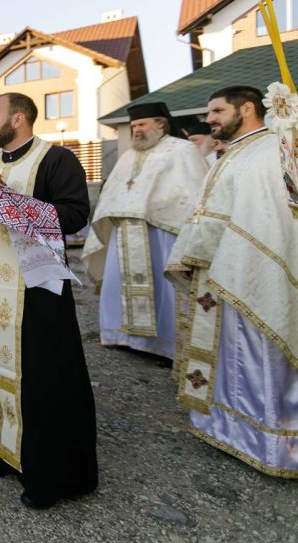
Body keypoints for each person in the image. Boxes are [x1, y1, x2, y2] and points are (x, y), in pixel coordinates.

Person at [0, 93, 97, 510]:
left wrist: (12, 207)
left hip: (35, 291)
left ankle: (50, 472)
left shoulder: (55, 159)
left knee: (42, 380)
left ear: (18, 119)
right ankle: (6, 450)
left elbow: (75, 214)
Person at [166, 85, 298, 477]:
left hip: (257, 270)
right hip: (223, 270)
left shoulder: (273, 148)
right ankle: (231, 429)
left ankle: (276, 444)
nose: (209, 119)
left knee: (262, 357)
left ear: (247, 108)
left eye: (217, 111)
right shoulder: (238, 152)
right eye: (209, 112)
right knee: (234, 356)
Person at [82, 103, 207, 364]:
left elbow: (194, 191)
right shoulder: (128, 155)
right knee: (118, 283)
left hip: (162, 232)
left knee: (165, 290)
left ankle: (165, 345)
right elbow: (113, 191)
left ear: (160, 124)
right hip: (124, 233)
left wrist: (159, 210)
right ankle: (123, 336)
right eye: (134, 125)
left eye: (142, 124)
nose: (136, 130)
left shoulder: (182, 150)